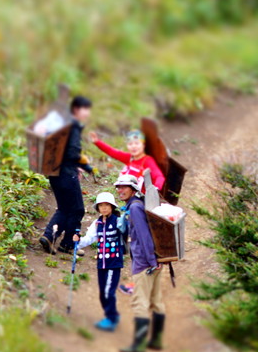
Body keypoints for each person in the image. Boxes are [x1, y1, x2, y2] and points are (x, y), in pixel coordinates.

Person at [114, 172, 166, 352]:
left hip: (145, 263)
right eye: (118, 187)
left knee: (140, 302)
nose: (120, 190)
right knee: (156, 301)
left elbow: (143, 236)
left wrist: (151, 262)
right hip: (153, 260)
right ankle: (157, 341)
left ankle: (139, 345)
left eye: (124, 186)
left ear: (133, 188)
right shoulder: (136, 205)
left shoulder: (135, 208)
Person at [39, 95, 94, 255]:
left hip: (54, 172)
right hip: (67, 173)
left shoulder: (60, 125)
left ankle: (49, 236)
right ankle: (68, 244)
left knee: (64, 207)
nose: (87, 113)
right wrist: (85, 165)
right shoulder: (73, 126)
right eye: (86, 109)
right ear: (76, 109)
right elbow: (72, 152)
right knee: (77, 209)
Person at [72, 190, 128, 332]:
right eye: (101, 205)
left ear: (112, 207)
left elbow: (128, 233)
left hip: (114, 262)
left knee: (109, 291)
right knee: (103, 292)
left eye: (107, 205)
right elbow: (89, 239)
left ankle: (111, 318)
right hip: (101, 263)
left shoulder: (118, 221)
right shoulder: (96, 224)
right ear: (97, 208)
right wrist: (77, 242)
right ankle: (111, 315)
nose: (103, 208)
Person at [90, 129, 164, 195]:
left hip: (142, 198)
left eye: (137, 143)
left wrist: (156, 188)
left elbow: (159, 176)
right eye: (130, 144)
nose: (133, 146)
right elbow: (112, 152)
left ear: (143, 145)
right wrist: (97, 142)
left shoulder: (147, 161)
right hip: (128, 196)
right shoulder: (129, 158)